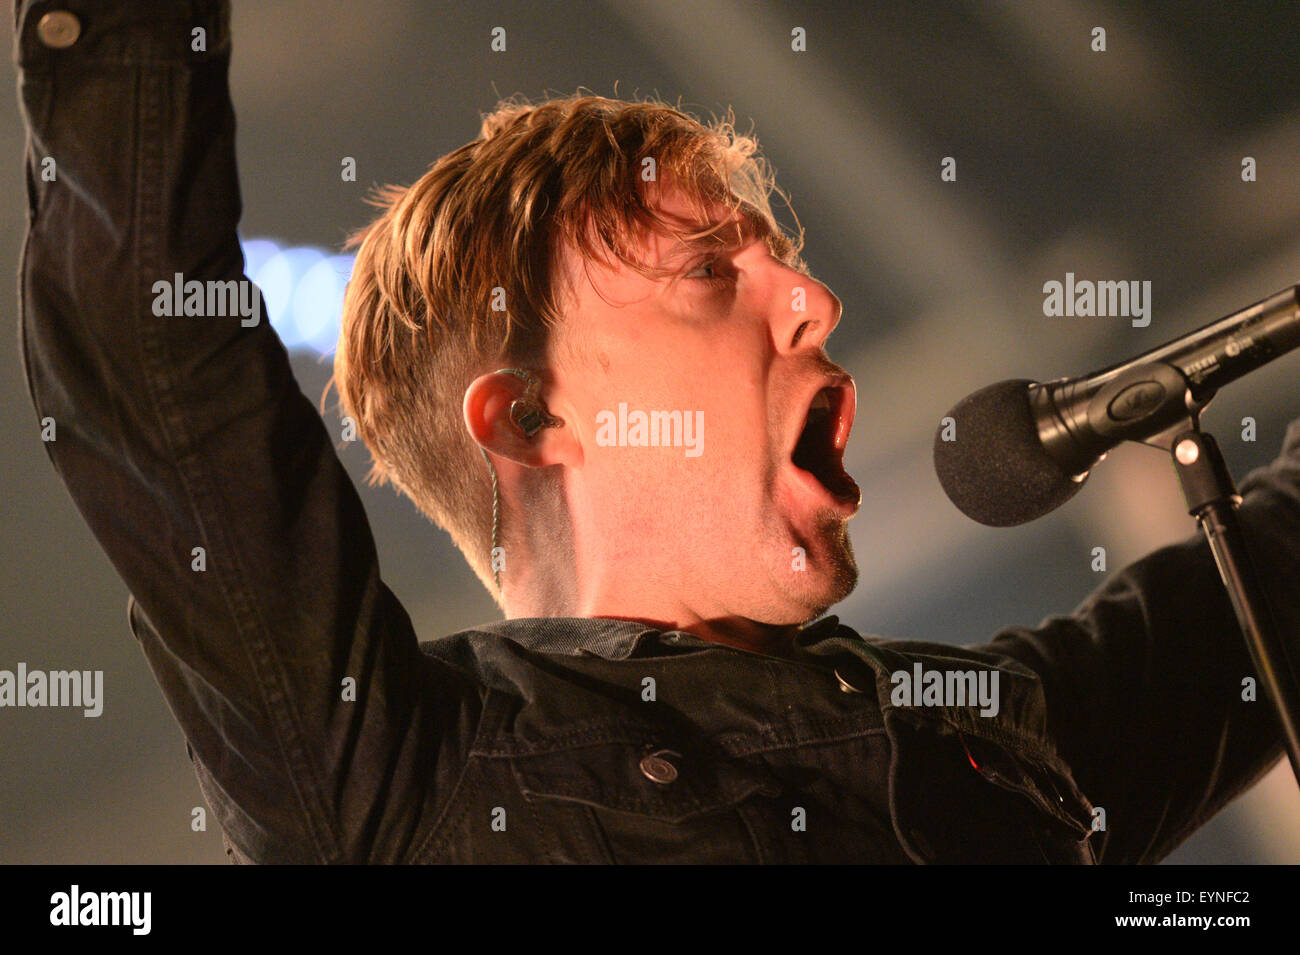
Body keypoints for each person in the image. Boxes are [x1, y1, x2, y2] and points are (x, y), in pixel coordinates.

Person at [16, 0, 1300, 864]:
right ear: (529, 415)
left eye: (784, 261)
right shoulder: (408, 780)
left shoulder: (1002, 727)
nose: (813, 299)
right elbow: (152, 356)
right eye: (708, 273)